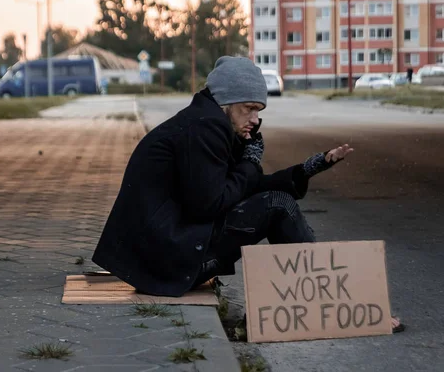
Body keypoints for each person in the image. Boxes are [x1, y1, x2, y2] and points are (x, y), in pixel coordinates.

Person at [92, 56, 404, 333]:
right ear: (226, 102)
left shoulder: (206, 121)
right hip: (167, 263)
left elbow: (242, 189)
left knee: (276, 203)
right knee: (279, 205)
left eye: (259, 110)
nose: (255, 119)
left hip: (162, 257)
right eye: (250, 108)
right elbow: (210, 205)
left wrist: (307, 169)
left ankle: (326, 305)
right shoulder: (205, 128)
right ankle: (333, 306)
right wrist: (250, 162)